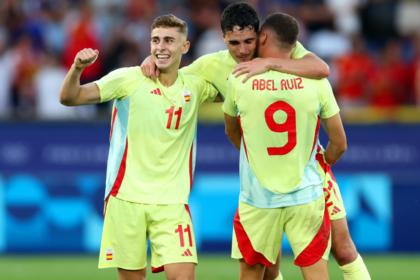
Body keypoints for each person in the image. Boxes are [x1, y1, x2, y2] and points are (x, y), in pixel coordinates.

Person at [141, 3, 370, 280]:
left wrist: (269, 62)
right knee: (268, 268)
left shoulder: (281, 51)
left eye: (249, 41)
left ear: (260, 35)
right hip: (263, 180)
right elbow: (173, 79)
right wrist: (155, 60)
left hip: (309, 169)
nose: (243, 50)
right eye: (234, 43)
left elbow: (321, 68)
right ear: (223, 38)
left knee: (343, 249)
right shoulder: (211, 66)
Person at [59, 14, 220, 280]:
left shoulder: (196, 86)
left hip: (172, 202)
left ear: (185, 47)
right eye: (155, 40)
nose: (160, 47)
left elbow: (238, 89)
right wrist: (77, 67)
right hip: (126, 199)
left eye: (169, 40)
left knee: (184, 276)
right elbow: (69, 98)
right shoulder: (128, 79)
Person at [222, 12, 343, 280]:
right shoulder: (317, 82)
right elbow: (339, 143)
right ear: (295, 45)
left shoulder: (239, 78)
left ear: (262, 37)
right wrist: (319, 163)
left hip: (257, 199)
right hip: (306, 196)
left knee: (254, 276)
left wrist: (257, 154)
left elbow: (232, 131)